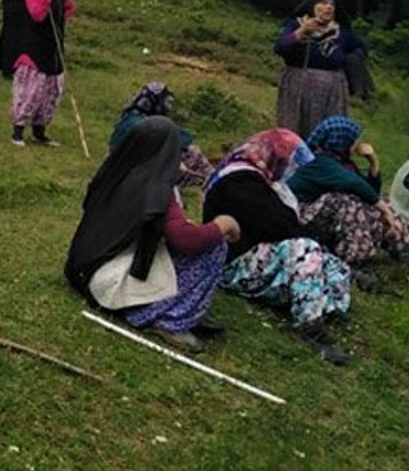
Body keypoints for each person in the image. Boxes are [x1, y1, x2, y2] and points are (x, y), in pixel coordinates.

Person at [66, 117, 238, 353]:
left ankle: (161, 306)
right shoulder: (158, 190)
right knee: (214, 246)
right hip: (114, 286)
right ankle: (169, 319)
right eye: (178, 151)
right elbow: (186, 240)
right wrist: (222, 224)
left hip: (88, 273)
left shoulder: (115, 174)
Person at [202, 129, 353, 365]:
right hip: (230, 265)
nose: (287, 169)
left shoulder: (257, 178)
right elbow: (279, 225)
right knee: (306, 250)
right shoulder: (240, 181)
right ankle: (309, 324)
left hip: (255, 257)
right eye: (286, 162)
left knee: (331, 262)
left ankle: (319, 305)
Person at [287, 115, 408, 265]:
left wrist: (373, 162)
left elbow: (371, 192)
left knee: (375, 203)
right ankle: (351, 259)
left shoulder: (343, 163)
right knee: (348, 203)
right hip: (301, 213)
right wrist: (384, 210)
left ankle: (404, 250)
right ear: (342, 140)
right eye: (354, 139)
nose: (358, 144)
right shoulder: (318, 161)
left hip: (324, 215)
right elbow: (353, 184)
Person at [274, 0, 366, 137]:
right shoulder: (295, 25)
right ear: (312, 6)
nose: (329, 7)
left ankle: (325, 157)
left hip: (332, 88)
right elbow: (280, 47)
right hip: (299, 82)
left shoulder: (341, 31)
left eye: (332, 4)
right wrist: (302, 32)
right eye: (323, 3)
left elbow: (360, 48)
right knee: (295, 127)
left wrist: (351, 61)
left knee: (328, 130)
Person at [8, 0, 75, 147]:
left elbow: (69, 10)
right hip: (34, 49)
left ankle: (40, 131)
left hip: (53, 48)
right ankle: (18, 131)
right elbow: (37, 15)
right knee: (31, 91)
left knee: (50, 92)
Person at [108, 81, 215, 188]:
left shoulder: (128, 118)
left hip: (116, 169)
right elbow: (180, 139)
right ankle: (211, 180)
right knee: (191, 151)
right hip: (138, 172)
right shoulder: (151, 125)